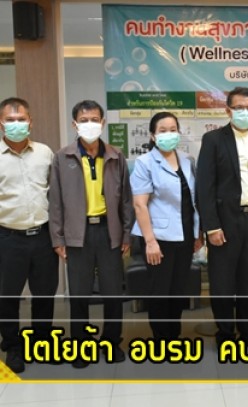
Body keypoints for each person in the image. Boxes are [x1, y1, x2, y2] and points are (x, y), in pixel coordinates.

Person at [49, 100, 133, 368]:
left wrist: (126, 235)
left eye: (94, 119)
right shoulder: (62, 157)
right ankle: (80, 345)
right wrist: (58, 238)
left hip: (109, 232)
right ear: (74, 124)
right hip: (77, 234)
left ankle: (111, 342)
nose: (89, 124)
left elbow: (126, 200)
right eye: (84, 120)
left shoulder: (116, 156)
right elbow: (55, 202)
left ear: (103, 123)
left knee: (112, 293)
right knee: (79, 293)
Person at [197, 87, 248, 346]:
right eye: (239, 108)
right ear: (228, 110)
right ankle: (226, 333)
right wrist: (211, 227)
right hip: (225, 222)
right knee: (222, 282)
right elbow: (205, 187)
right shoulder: (213, 140)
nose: (245, 112)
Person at [130, 111, 202, 342]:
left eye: (173, 130)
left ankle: (174, 335)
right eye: (162, 130)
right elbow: (140, 205)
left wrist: (197, 233)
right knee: (160, 291)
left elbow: (192, 200)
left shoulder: (187, 160)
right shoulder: (144, 162)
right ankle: (161, 339)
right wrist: (150, 242)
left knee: (178, 290)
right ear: (153, 135)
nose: (168, 134)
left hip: (185, 235)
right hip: (158, 238)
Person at [0, 97, 59, 373]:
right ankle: (13, 346)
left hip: (43, 237)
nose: (16, 124)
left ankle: (41, 342)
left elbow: (55, 193)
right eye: (10, 120)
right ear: (1, 123)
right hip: (8, 238)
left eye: (21, 119)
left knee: (44, 294)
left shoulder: (45, 153)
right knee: (8, 296)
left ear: (30, 121)